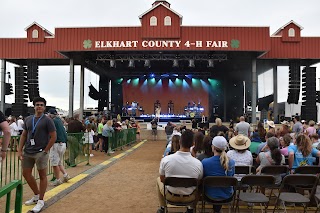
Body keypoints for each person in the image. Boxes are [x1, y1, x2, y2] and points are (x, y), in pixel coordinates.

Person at [17, 97, 57, 213]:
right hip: (28, 151)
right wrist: (20, 150)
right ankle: (36, 195)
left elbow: (53, 136)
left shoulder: (47, 120)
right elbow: (24, 135)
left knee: (42, 175)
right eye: (37, 104)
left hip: (40, 152)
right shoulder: (28, 119)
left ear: (44, 107)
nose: (39, 106)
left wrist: (45, 151)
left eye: (41, 105)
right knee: (26, 174)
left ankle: (41, 200)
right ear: (34, 106)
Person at [156, 130, 203, 213]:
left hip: (170, 195)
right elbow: (198, 181)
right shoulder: (198, 163)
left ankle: (163, 207)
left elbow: (162, 179)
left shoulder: (166, 159)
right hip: (190, 196)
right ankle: (190, 208)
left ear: (180, 142)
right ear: (193, 144)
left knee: (158, 180)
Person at [202, 136, 235, 213]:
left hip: (209, 195)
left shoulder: (205, 162)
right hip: (227, 196)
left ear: (213, 147)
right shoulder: (232, 163)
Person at [47, 108, 70, 186]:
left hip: (56, 144)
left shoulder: (52, 121)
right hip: (63, 143)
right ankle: (65, 175)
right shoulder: (60, 121)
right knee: (58, 161)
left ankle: (57, 179)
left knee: (54, 163)